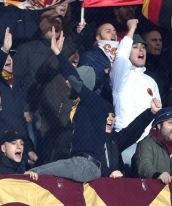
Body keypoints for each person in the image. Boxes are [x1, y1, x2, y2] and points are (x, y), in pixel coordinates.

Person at [23, 33, 109, 183]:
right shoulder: (94, 106)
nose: (67, 83)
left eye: (70, 81)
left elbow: (73, 77)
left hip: (83, 164)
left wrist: (58, 53)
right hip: (92, 167)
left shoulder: (90, 99)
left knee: (33, 174)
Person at [110, 18, 160, 167]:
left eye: (143, 47)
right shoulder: (120, 76)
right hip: (127, 140)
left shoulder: (151, 81)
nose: (141, 50)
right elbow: (120, 57)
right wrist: (131, 29)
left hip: (149, 144)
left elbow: (157, 114)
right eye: (135, 47)